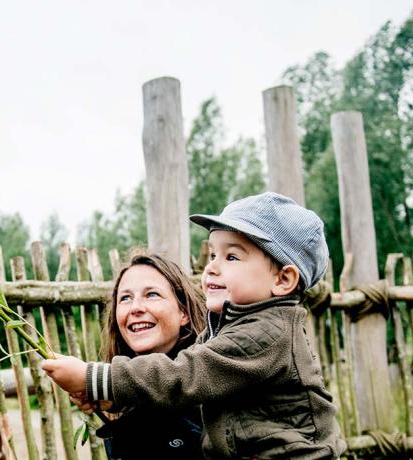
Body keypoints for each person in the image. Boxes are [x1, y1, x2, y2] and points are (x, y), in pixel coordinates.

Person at [43, 192, 346, 459]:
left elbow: (185, 373)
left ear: (282, 280)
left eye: (231, 256)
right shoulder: (228, 328)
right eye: (213, 253)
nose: (211, 266)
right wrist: (115, 396)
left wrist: (95, 378)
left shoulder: (266, 333)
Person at [85, 254, 206, 459]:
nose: (135, 308)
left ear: (183, 312)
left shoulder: (207, 383)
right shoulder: (123, 398)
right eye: (125, 298)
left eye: (151, 295)